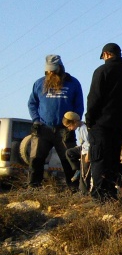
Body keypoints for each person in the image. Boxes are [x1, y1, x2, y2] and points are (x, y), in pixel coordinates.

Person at [85, 43, 122, 200]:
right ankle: (111, 196)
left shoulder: (102, 71)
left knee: (100, 160)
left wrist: (89, 120)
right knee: (114, 162)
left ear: (106, 54)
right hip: (121, 126)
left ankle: (99, 198)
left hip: (101, 125)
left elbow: (94, 98)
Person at [27, 54, 84, 190]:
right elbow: (32, 103)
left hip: (64, 129)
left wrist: (73, 124)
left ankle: (74, 189)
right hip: (43, 128)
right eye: (48, 70)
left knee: (69, 160)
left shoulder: (73, 83)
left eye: (53, 69)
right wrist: (36, 121)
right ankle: (33, 187)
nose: (51, 72)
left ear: (60, 67)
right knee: (36, 159)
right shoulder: (39, 83)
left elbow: (79, 106)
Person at [62, 111, 90, 194]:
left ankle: (83, 192)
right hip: (82, 148)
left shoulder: (84, 128)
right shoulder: (79, 129)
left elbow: (89, 143)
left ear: (74, 122)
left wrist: (88, 154)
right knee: (69, 152)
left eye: (69, 126)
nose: (69, 128)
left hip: (87, 150)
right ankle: (77, 168)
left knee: (84, 174)